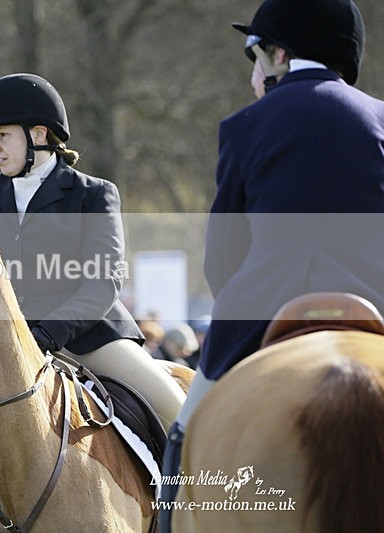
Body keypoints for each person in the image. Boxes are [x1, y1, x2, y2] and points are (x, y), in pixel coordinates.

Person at [159, 1, 384, 528]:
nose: (253, 74)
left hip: (260, 312)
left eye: (255, 57)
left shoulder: (246, 125)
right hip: (376, 301)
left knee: (181, 437)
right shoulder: (380, 119)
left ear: (279, 55)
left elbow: (223, 258)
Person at [0, 73, 185, 427]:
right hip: (7, 345)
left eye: (2, 135)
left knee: (179, 414)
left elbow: (104, 282)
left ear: (38, 134)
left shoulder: (93, 194)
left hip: (89, 340)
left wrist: (48, 334)